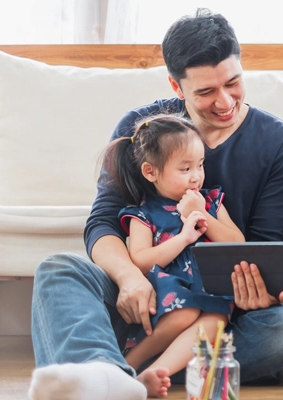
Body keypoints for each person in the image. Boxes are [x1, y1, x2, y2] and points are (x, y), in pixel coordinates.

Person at [28, 10, 283, 398]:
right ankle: (109, 377)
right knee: (58, 271)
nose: (225, 101)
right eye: (206, 92)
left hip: (219, 309)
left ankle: (111, 370)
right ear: (176, 86)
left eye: (233, 83)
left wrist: (254, 290)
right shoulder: (143, 128)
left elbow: (260, 245)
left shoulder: (279, 143)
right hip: (143, 296)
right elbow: (104, 222)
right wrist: (129, 278)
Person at [104, 115, 245, 397]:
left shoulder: (210, 202)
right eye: (185, 168)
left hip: (211, 289)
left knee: (214, 324)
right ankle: (125, 367)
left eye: (200, 165)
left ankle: (156, 374)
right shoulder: (143, 213)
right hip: (171, 289)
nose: (196, 175)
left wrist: (203, 213)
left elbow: (236, 243)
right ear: (150, 171)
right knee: (185, 313)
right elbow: (141, 260)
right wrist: (183, 238)